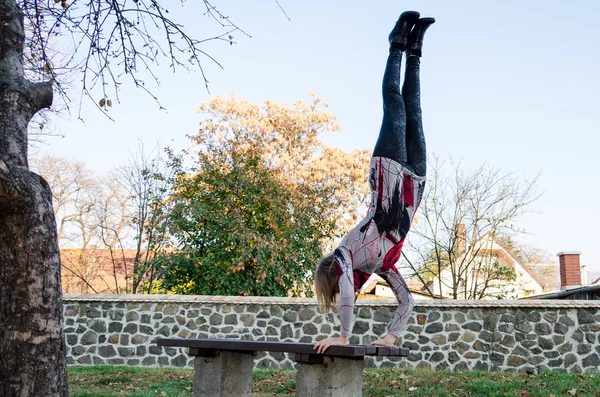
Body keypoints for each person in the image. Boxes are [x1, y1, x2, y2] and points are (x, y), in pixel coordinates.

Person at [314, 11, 434, 354]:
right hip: (415, 181)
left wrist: (342, 335)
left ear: (335, 273)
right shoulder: (384, 263)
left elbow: (349, 294)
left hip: (388, 172)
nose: (346, 285)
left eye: (338, 283)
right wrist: (392, 335)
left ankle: (396, 44)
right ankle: (416, 49)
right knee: (415, 109)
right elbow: (406, 302)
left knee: (395, 107)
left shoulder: (344, 253)